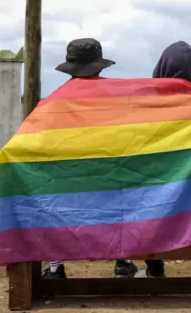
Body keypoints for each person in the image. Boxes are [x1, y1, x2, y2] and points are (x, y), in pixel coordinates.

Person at [42, 38, 138, 279]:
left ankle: (55, 267)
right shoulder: (117, 98)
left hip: (68, 184)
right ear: (100, 66)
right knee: (122, 195)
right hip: (110, 180)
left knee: (49, 200)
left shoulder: (55, 101)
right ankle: (123, 262)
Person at [133, 41, 191, 278]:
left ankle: (154, 269)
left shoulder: (144, 113)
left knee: (140, 193)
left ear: (160, 69)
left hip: (154, 203)